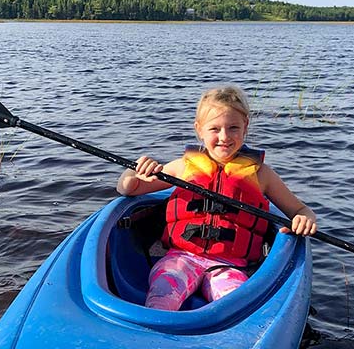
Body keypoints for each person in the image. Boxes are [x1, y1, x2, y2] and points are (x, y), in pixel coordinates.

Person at [116, 85, 317, 311]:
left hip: (230, 265)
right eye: (215, 129)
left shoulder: (261, 174)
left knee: (233, 307)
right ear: (199, 130)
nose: (224, 137)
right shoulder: (183, 166)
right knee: (162, 296)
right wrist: (133, 170)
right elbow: (129, 189)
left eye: (233, 128)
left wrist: (304, 219)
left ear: (245, 128)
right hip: (181, 258)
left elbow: (300, 210)